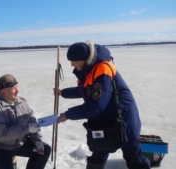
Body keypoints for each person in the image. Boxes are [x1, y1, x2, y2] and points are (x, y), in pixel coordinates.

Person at [55, 41, 150, 169]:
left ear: (84, 59)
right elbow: (84, 90)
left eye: (73, 60)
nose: (72, 64)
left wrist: (67, 115)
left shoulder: (103, 69)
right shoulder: (89, 70)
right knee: (98, 151)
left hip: (123, 118)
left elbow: (95, 106)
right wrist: (63, 92)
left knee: (133, 156)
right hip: (103, 118)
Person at [0, 74, 51, 169]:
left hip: (19, 143)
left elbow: (31, 120)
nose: (17, 90)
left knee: (45, 150)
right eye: (13, 88)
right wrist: (27, 129)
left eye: (17, 86)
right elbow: (2, 134)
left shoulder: (22, 102)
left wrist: (37, 140)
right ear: (2, 92)